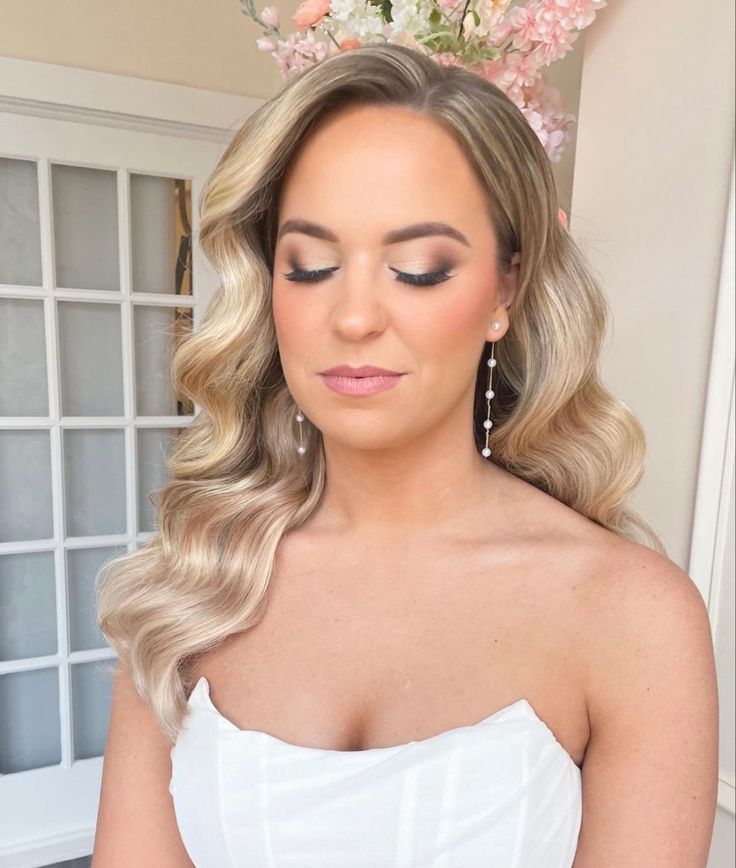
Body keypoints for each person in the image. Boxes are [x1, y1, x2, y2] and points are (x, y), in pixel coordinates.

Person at [92, 42, 719, 867]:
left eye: (418, 269)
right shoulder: (194, 586)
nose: (354, 316)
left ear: (504, 291)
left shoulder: (631, 614)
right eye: (310, 264)